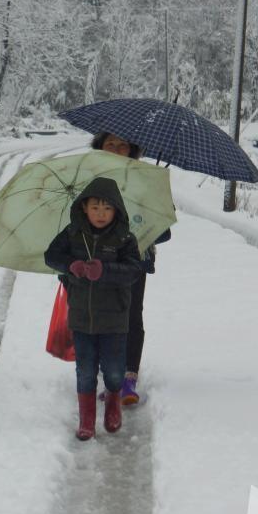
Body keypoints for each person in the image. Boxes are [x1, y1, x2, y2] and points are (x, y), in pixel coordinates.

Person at [44, 177, 144, 440]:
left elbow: (134, 270)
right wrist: (71, 265)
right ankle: (87, 419)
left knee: (113, 370)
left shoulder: (124, 239)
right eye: (95, 207)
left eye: (107, 208)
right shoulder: (72, 234)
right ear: (84, 208)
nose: (101, 214)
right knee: (85, 370)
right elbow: (51, 256)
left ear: (117, 211)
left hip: (114, 319)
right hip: (82, 317)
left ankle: (113, 402)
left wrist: (105, 270)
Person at [91, 132, 172, 405]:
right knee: (101, 316)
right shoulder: (89, 178)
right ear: (100, 147)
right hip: (97, 259)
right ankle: (109, 374)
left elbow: (164, 231)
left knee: (131, 315)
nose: (116, 149)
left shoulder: (145, 179)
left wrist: (157, 203)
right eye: (109, 144)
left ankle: (128, 378)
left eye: (122, 145)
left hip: (134, 259)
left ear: (132, 150)